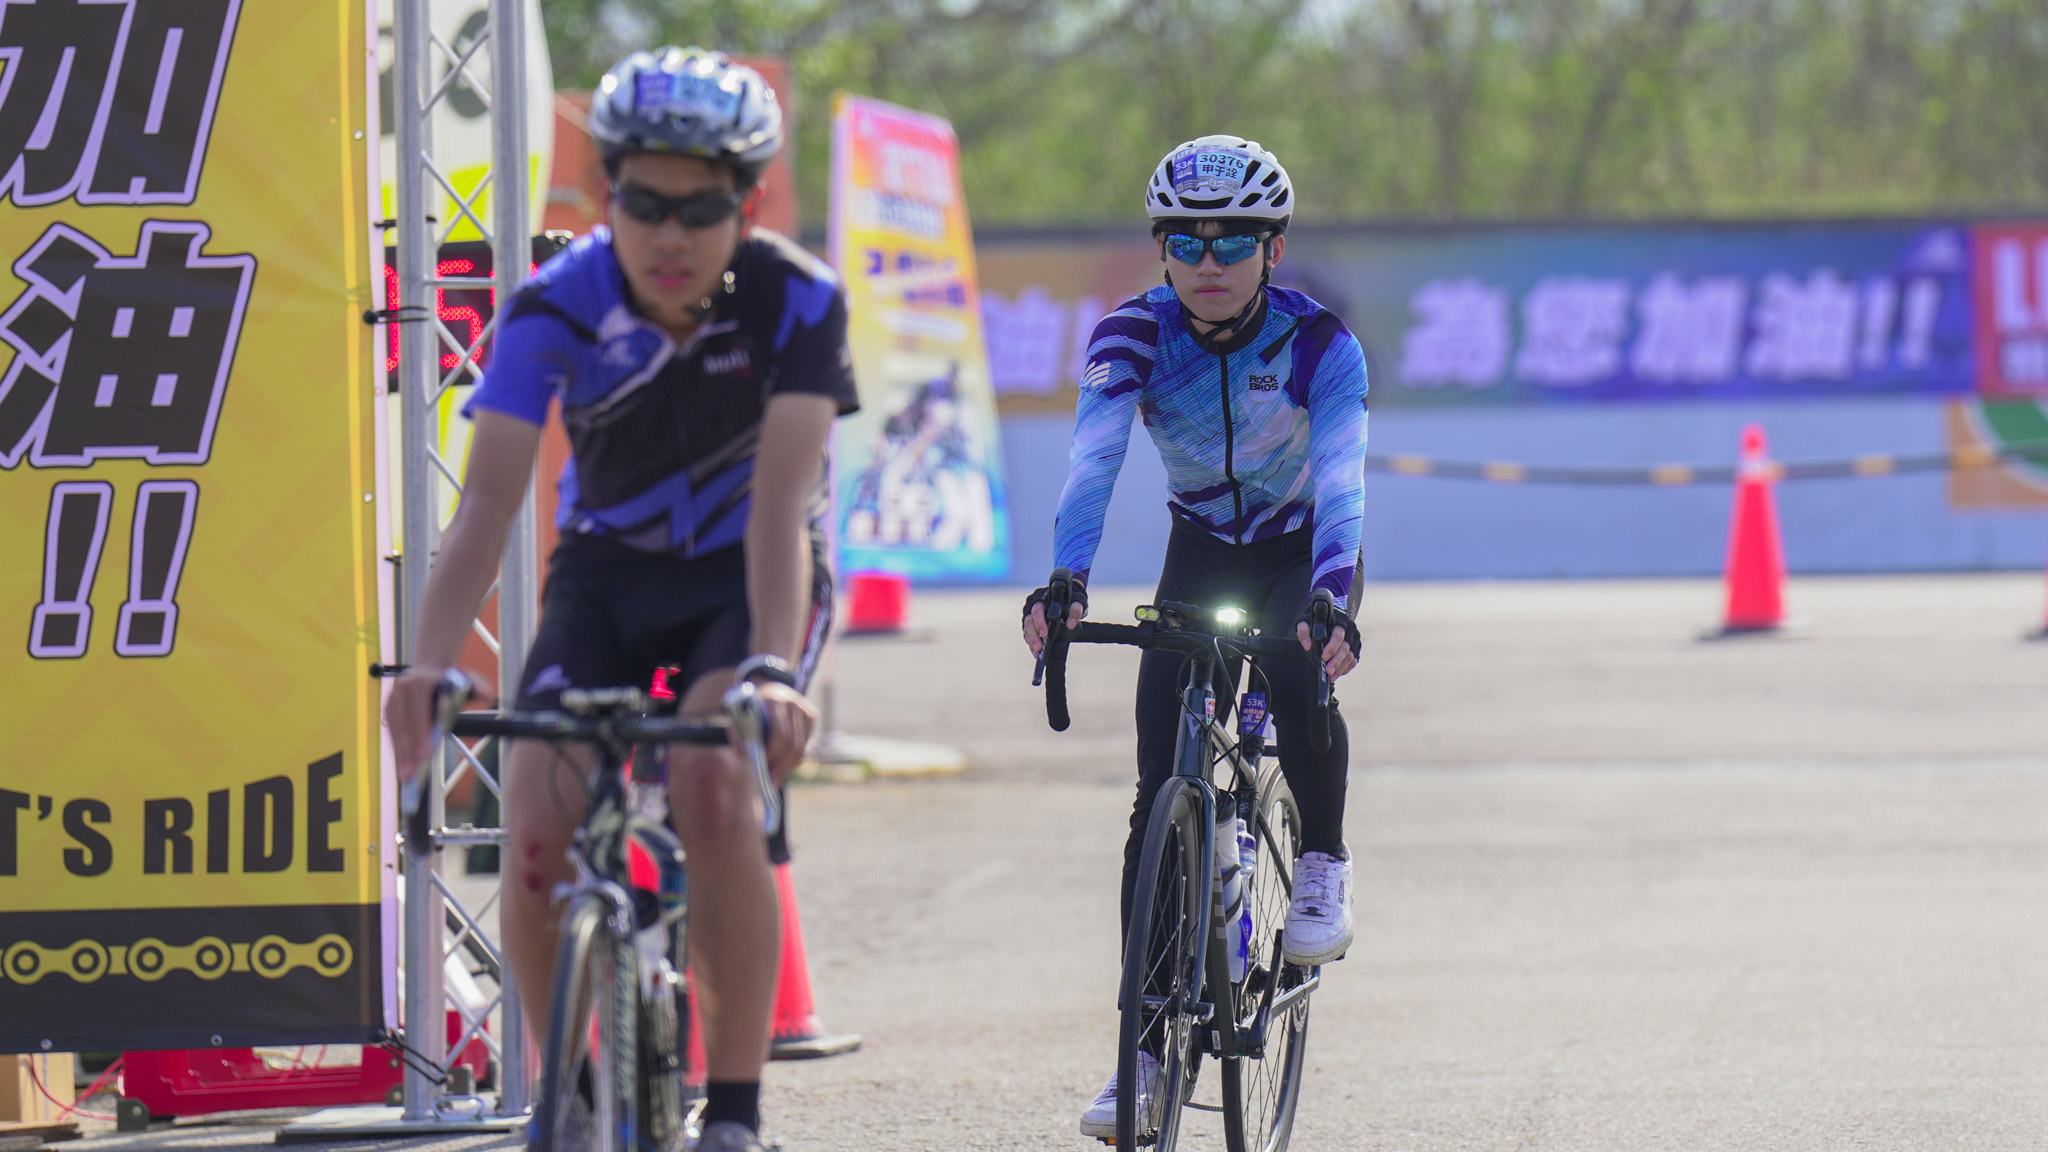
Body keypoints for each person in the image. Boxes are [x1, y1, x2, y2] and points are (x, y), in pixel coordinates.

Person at [384, 47, 859, 1152]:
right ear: (606, 195)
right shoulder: (556, 301)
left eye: (701, 210)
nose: (670, 236)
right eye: (645, 204)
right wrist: (426, 663)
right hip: (606, 576)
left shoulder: (799, 300)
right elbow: (485, 505)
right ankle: (575, 1092)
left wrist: (771, 675)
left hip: (748, 574)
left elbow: (782, 510)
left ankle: (733, 1111)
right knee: (535, 825)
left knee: (710, 784)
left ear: (746, 207)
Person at [1019, 134, 1369, 1138]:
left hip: (1303, 549)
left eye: (1232, 242)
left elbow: (1341, 475)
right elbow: (1093, 460)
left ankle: (1321, 861)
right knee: (1158, 789)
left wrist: (1332, 597)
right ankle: (1141, 1051)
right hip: (1202, 549)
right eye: (1184, 242)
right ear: (1161, 250)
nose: (1207, 262)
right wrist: (1067, 581)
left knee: (1297, 681)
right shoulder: (1133, 336)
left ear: (1274, 248)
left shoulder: (1319, 344)